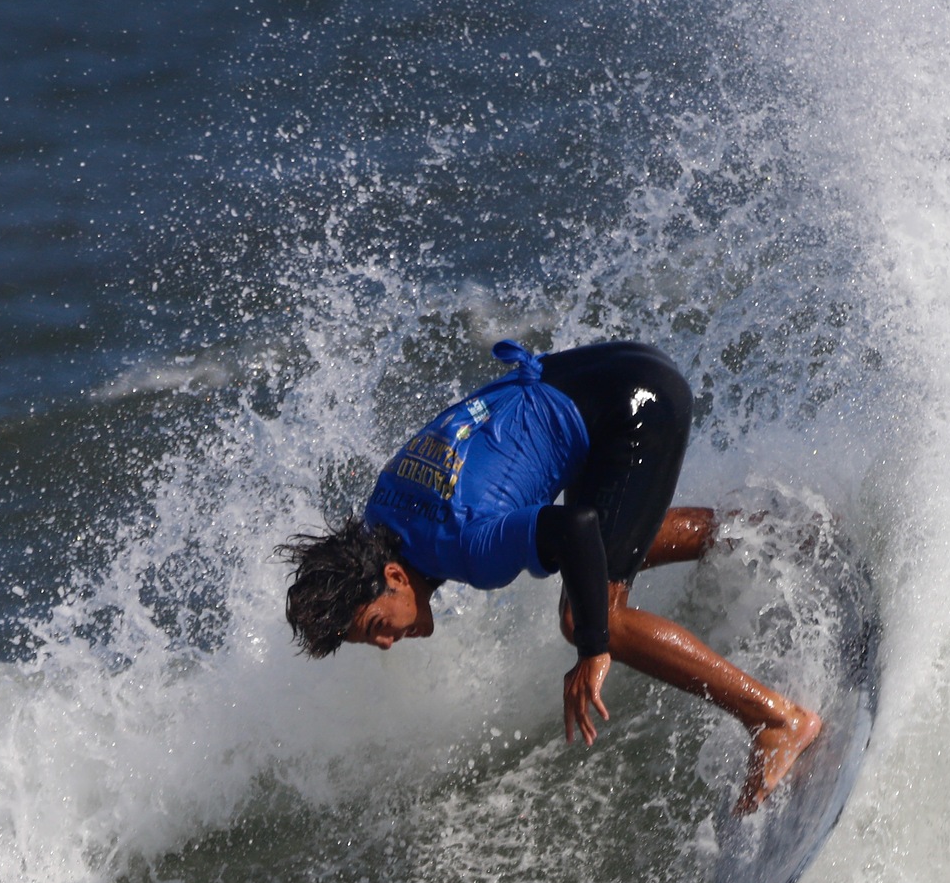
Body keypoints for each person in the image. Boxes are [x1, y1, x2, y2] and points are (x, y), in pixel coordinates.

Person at [279, 338, 820, 813]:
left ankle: (777, 721)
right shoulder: (382, 514)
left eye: (376, 625)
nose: (386, 643)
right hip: (600, 374)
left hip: (635, 406)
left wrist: (593, 648)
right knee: (605, 555)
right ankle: (778, 533)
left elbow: (574, 528)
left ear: (395, 577)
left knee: (589, 616)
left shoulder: (467, 546)